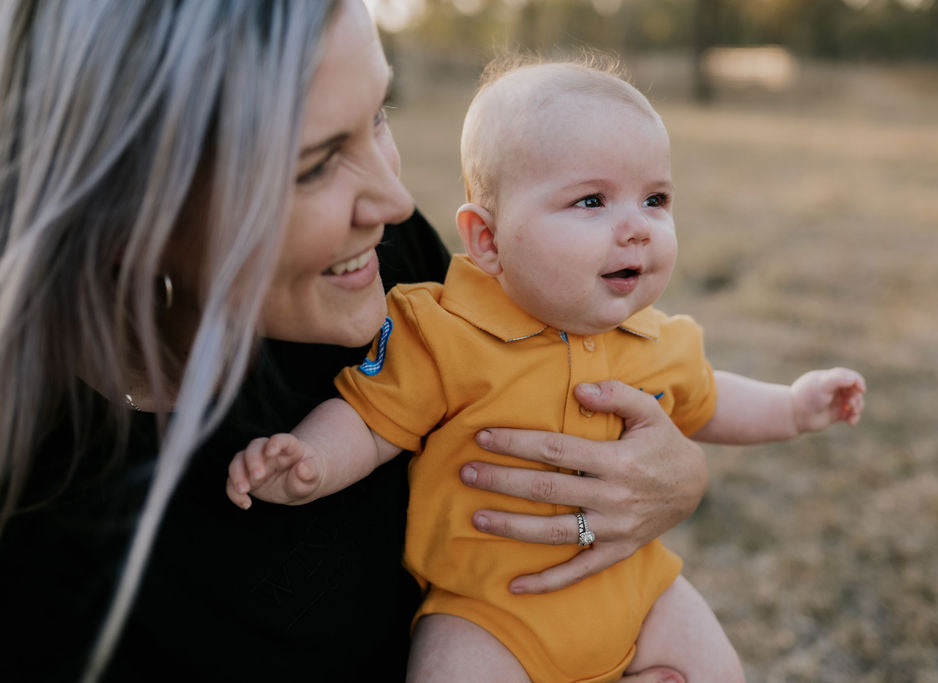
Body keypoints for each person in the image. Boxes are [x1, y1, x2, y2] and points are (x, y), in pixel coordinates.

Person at [0, 4, 708, 682]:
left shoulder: (387, 264)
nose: (395, 201)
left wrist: (672, 479)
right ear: (128, 212)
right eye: (314, 164)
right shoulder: (42, 512)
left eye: (377, 117)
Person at [226, 60, 867, 682]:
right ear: (488, 240)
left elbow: (706, 399)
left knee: (718, 668)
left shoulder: (654, 335)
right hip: (488, 615)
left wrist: (792, 406)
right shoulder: (441, 330)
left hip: (637, 591)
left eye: (655, 199)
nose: (637, 228)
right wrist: (310, 460)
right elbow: (371, 423)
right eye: (591, 200)